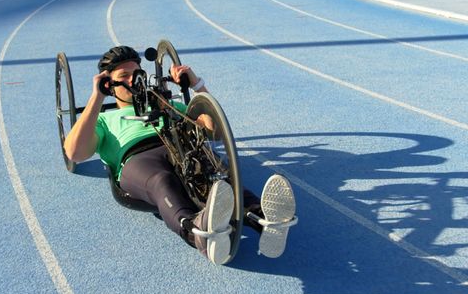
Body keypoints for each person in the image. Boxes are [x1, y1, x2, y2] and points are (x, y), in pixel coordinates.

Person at [63, 46, 296, 264]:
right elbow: (75, 152)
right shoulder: (103, 119)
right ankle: (197, 232)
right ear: (108, 84)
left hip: (182, 144)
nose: (133, 80)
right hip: (136, 157)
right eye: (123, 76)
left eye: (137, 73)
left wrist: (196, 85)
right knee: (162, 180)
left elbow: (214, 130)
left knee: (219, 175)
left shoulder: (164, 105)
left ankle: (263, 218)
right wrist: (97, 98)